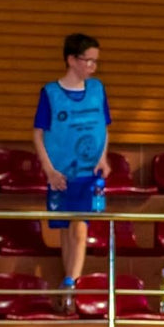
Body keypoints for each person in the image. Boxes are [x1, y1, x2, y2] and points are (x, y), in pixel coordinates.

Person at [32, 33, 112, 310]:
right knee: (66, 231)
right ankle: (69, 281)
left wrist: (102, 158)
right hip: (60, 175)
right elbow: (38, 134)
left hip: (88, 174)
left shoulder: (97, 89)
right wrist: (49, 170)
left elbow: (103, 128)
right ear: (71, 60)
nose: (92, 66)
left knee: (80, 229)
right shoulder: (51, 93)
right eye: (87, 61)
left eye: (95, 62)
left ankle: (71, 286)